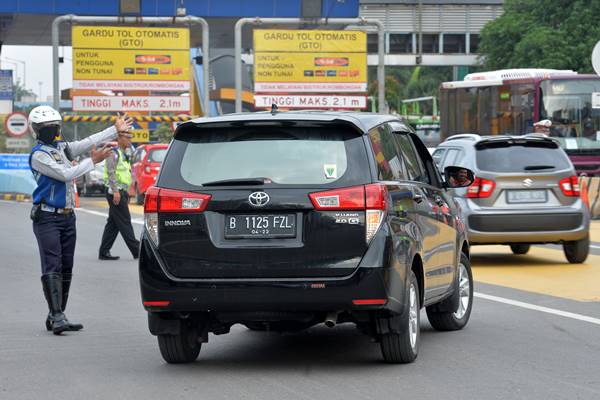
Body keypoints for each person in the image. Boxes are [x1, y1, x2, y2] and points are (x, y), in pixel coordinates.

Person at [29, 106, 133, 335]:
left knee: (67, 266)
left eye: (54, 127)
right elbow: (66, 175)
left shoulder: (62, 148)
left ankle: (57, 314)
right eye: (45, 128)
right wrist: (92, 162)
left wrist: (114, 130)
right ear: (35, 130)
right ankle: (57, 316)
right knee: (52, 264)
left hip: (68, 217)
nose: (51, 131)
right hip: (46, 217)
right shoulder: (39, 155)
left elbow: (88, 142)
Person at [98, 131, 140, 260]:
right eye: (127, 138)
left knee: (113, 223)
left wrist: (127, 191)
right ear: (119, 138)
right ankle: (138, 250)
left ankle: (104, 251)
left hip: (121, 191)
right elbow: (111, 173)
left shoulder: (123, 154)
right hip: (114, 192)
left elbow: (125, 174)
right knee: (125, 221)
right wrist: (116, 191)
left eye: (130, 138)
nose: (129, 140)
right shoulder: (113, 153)